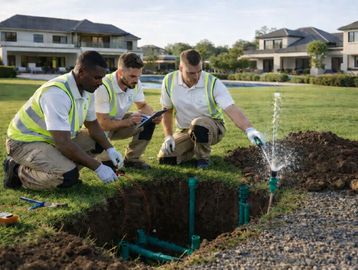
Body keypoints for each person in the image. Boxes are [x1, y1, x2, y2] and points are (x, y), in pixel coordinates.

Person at [3, 51, 123, 190]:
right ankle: (17, 171)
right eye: (97, 78)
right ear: (82, 72)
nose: (100, 83)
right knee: (67, 177)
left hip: (51, 140)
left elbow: (92, 124)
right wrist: (98, 167)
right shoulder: (56, 93)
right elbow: (63, 143)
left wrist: (110, 149)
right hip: (24, 142)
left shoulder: (87, 89)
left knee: (97, 142)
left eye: (102, 78)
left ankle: (63, 167)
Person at [158, 49, 264, 169]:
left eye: (199, 71)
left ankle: (203, 159)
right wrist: (168, 136)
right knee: (166, 159)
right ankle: (192, 147)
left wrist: (249, 129)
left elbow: (231, 108)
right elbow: (166, 110)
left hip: (213, 128)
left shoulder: (213, 83)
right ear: (181, 68)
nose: (197, 76)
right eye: (191, 73)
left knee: (198, 124)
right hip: (184, 130)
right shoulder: (169, 81)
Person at [95, 52, 160, 170]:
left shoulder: (136, 83)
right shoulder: (103, 86)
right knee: (112, 168)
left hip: (117, 124)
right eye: (132, 76)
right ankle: (97, 156)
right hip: (98, 131)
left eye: (139, 76)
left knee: (148, 120)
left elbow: (142, 105)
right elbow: (102, 124)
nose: (136, 80)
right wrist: (129, 122)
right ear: (120, 72)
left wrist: (153, 114)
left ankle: (132, 159)